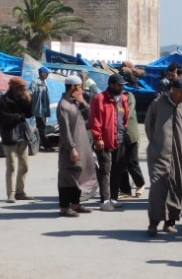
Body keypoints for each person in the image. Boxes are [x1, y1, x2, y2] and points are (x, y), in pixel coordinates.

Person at [145, 77, 182, 236]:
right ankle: (153, 223)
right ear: (174, 91)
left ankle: (170, 222)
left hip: (178, 154)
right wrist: (157, 142)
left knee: (175, 185)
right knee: (158, 187)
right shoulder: (158, 103)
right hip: (159, 153)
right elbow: (149, 125)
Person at [56, 75, 97, 217]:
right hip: (70, 148)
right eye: (79, 87)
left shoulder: (75, 102)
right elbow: (64, 130)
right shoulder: (63, 105)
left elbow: (90, 116)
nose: (81, 89)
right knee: (67, 177)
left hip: (81, 146)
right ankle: (64, 207)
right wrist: (72, 148)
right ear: (73, 87)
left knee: (79, 176)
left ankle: (76, 204)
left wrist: (83, 102)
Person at [88, 73, 130, 212]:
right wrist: (97, 137)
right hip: (104, 141)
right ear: (111, 85)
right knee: (106, 170)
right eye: (119, 85)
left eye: (122, 85)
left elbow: (125, 118)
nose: (121, 87)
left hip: (119, 140)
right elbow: (95, 120)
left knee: (117, 170)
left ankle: (113, 198)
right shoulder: (100, 99)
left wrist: (124, 133)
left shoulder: (123, 99)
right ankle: (105, 200)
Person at [0, 76, 34, 203]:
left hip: (22, 135)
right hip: (9, 136)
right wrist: (19, 116)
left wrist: (29, 100)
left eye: (24, 87)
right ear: (14, 87)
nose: (23, 89)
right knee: (11, 166)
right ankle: (10, 194)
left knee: (24, 165)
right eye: (21, 87)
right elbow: (4, 118)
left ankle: (20, 192)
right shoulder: (4, 100)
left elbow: (29, 114)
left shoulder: (23, 98)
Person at [118, 86, 146, 199]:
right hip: (118, 135)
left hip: (130, 133)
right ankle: (125, 191)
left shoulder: (129, 95)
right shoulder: (110, 97)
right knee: (120, 163)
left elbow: (127, 112)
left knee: (131, 161)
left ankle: (140, 184)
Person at [29, 66, 54, 151]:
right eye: (46, 73)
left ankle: (40, 145)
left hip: (44, 110)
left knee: (42, 127)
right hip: (38, 109)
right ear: (42, 73)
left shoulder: (45, 83)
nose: (47, 75)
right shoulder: (35, 83)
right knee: (42, 128)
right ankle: (47, 146)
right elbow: (30, 94)